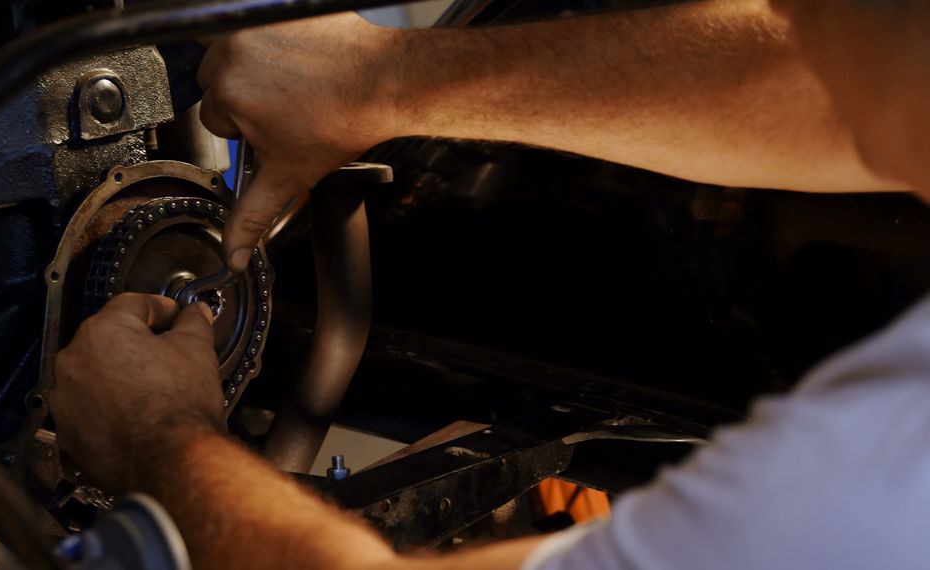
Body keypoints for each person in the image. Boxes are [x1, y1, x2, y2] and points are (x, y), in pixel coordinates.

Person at [50, 0, 930, 568]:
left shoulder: (877, 474)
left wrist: (158, 443)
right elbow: (845, 83)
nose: (773, 8)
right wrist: (378, 78)